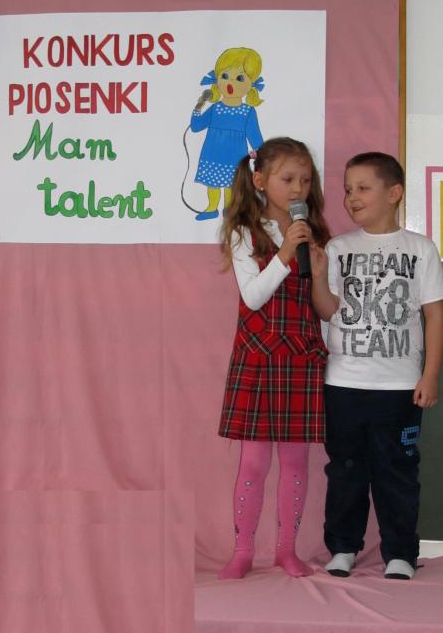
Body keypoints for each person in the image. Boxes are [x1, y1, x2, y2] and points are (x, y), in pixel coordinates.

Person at [310, 152, 443, 580]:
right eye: (348, 189)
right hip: (344, 383)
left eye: (363, 188)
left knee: (397, 470)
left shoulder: (420, 249)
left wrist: (429, 375)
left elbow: (435, 315)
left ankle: (400, 552)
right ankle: (342, 547)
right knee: (345, 469)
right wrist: (318, 277)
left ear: (394, 193)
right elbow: (327, 310)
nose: (351, 197)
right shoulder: (339, 248)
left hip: (399, 385)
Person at [217, 137, 330, 579]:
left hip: (302, 357)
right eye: (288, 179)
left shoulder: (314, 233)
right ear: (261, 181)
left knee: (296, 463)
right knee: (254, 462)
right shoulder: (245, 231)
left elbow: (322, 307)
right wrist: (284, 253)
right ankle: (243, 550)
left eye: (305, 180)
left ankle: (287, 550)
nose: (298, 188)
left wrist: (318, 274)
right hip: (260, 359)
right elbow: (253, 296)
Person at [190, 47, 264, 221]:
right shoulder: (215, 108)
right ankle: (211, 208)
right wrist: (199, 105)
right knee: (212, 184)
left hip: (235, 157)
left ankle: (229, 209)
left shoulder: (247, 112)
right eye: (224, 76)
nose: (230, 83)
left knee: (231, 186)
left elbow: (255, 137)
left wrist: (260, 155)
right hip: (212, 154)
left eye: (240, 78)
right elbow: (196, 126)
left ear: (251, 85)